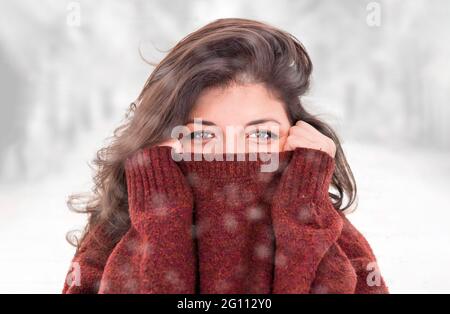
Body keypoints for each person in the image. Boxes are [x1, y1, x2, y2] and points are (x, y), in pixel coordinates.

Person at [62, 18, 388, 294]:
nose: (232, 154)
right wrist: (161, 219)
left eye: (261, 135)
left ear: (299, 135)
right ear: (161, 143)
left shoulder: (325, 228)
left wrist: (304, 212)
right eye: (202, 135)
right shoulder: (116, 233)